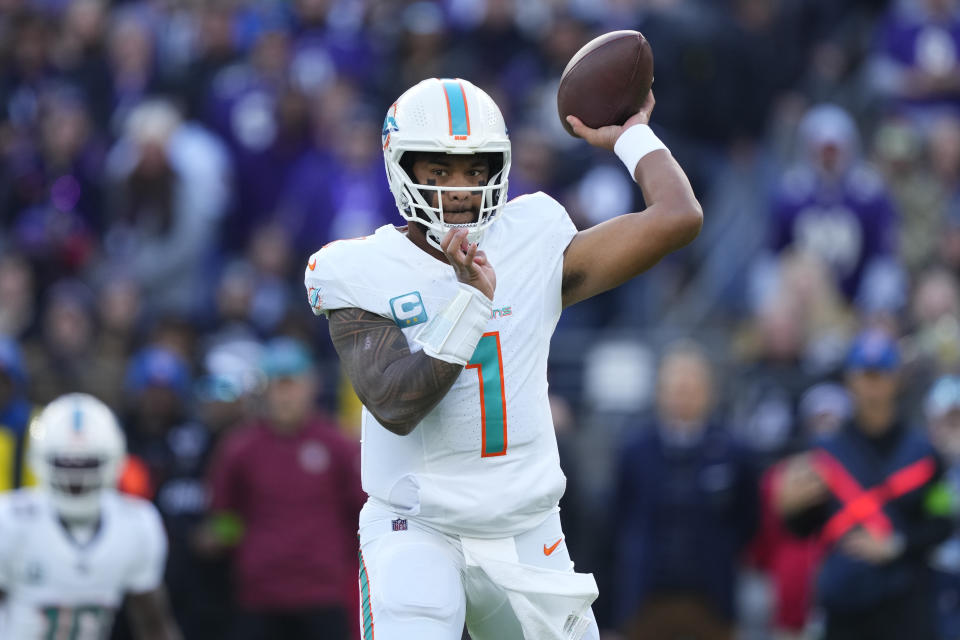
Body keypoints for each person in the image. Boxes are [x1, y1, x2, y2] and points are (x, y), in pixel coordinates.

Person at [304, 78, 702, 640]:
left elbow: (677, 218)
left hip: (524, 523)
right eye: (439, 171)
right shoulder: (360, 268)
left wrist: (632, 135)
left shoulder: (532, 237)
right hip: (418, 527)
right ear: (400, 167)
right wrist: (472, 303)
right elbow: (395, 403)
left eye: (475, 169)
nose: (460, 189)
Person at [776, 329, 954, 640]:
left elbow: (943, 524)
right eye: (864, 375)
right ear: (850, 380)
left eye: (880, 375)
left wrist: (897, 545)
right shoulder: (824, 453)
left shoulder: (925, 455)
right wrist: (788, 509)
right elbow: (805, 526)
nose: (872, 386)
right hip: (846, 606)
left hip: (907, 606)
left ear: (896, 380)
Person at [202, 337, 364, 640]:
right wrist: (222, 538)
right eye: (278, 385)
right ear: (265, 391)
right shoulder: (239, 449)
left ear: (311, 386)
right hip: (260, 597)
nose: (285, 395)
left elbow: (362, 511)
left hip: (324, 594)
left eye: (293, 384)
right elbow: (224, 514)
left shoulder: (338, 446)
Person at [0, 393, 180, 639]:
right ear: (42, 461)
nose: (76, 478)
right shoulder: (10, 520)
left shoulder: (137, 523)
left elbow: (153, 625)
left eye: (88, 465)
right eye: (65, 464)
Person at [610, 341, 757, 640]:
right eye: (676, 387)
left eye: (692, 387)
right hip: (645, 601)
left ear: (710, 392)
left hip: (712, 602)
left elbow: (749, 520)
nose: (683, 396)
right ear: (659, 392)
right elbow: (618, 519)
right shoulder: (635, 450)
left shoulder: (735, 451)